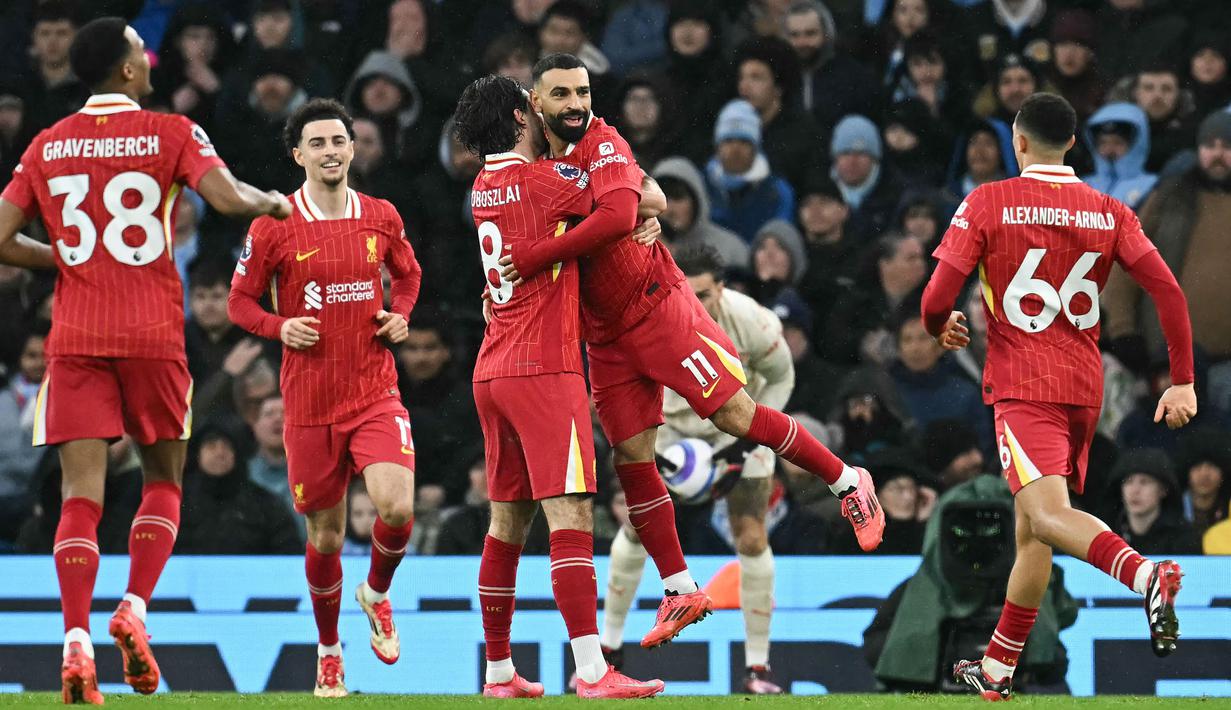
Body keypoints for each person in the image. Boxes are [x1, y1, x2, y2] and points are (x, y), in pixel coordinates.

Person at [506, 53, 884, 650]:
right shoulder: (527, 167)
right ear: (536, 102)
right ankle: (681, 587)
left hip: (657, 307)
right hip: (602, 336)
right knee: (633, 464)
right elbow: (636, 202)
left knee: (734, 415)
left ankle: (846, 481)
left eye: (582, 91)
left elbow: (625, 210)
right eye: (562, 95)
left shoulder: (603, 139)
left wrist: (546, 251)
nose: (576, 104)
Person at [0, 16, 290, 705]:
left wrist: (66, 260)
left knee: (80, 499)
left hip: (75, 336)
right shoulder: (171, 132)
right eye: (142, 50)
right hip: (154, 336)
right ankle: (133, 605)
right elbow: (224, 199)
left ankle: (73, 642)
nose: (150, 58)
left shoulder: (46, 143)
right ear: (128, 70)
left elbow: (0, 237)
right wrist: (274, 201)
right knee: (164, 482)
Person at [921, 93, 1197, 701]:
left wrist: (937, 325)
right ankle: (997, 668)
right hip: (1083, 385)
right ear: (1074, 143)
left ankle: (1146, 574)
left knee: (1045, 516)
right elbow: (1170, 292)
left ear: (1018, 142)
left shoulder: (987, 201)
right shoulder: (1110, 210)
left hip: (1025, 386)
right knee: (1034, 531)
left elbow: (937, 297)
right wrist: (1181, 379)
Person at [453, 74, 665, 699]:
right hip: (544, 369)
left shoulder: (483, 186)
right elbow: (634, 200)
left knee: (506, 524)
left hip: (492, 369)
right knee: (571, 515)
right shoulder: (545, 181)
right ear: (524, 119)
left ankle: (498, 673)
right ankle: (594, 671)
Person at [227, 98, 420, 697]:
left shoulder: (381, 215)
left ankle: (378, 593)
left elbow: (409, 276)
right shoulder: (274, 225)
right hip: (308, 404)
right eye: (318, 143)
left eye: (339, 140)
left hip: (373, 390)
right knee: (327, 539)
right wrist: (279, 327)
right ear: (298, 154)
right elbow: (240, 303)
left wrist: (402, 316)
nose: (331, 151)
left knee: (397, 508)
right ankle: (329, 652)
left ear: (353, 147)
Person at [601, 245, 795, 694]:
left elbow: (782, 376)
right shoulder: (643, 313)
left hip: (737, 429)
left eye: (704, 295)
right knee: (636, 529)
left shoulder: (755, 322)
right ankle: (609, 651)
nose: (693, 303)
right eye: (684, 291)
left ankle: (758, 671)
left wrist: (749, 442)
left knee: (751, 534)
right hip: (668, 432)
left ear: (722, 290)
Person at [1082, 102, 1157, 210]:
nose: (1109, 149)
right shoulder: (1084, 185)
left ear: (1135, 146)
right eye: (1103, 143)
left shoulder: (1151, 185)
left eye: (1118, 143)